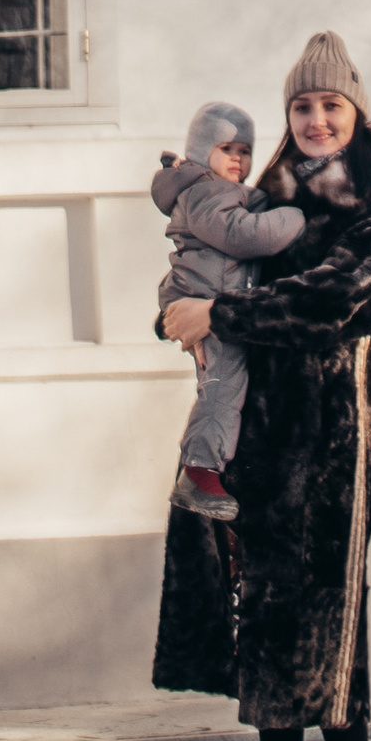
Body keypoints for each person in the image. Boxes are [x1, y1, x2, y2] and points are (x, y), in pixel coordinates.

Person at [151, 30, 371, 741]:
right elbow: (197, 265)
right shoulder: (260, 195)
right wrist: (176, 309)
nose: (313, 120)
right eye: (300, 107)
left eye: (328, 106)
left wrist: (216, 315)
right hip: (264, 438)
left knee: (333, 625)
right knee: (265, 625)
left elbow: (327, 301)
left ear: (355, 112)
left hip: (344, 434)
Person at [151, 102, 309, 519]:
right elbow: (240, 236)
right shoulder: (206, 191)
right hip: (210, 306)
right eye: (227, 148)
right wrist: (293, 217)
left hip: (205, 294)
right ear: (204, 151)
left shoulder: (210, 189)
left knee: (222, 384)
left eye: (245, 151)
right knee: (223, 387)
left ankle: (205, 465)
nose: (238, 159)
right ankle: (200, 471)